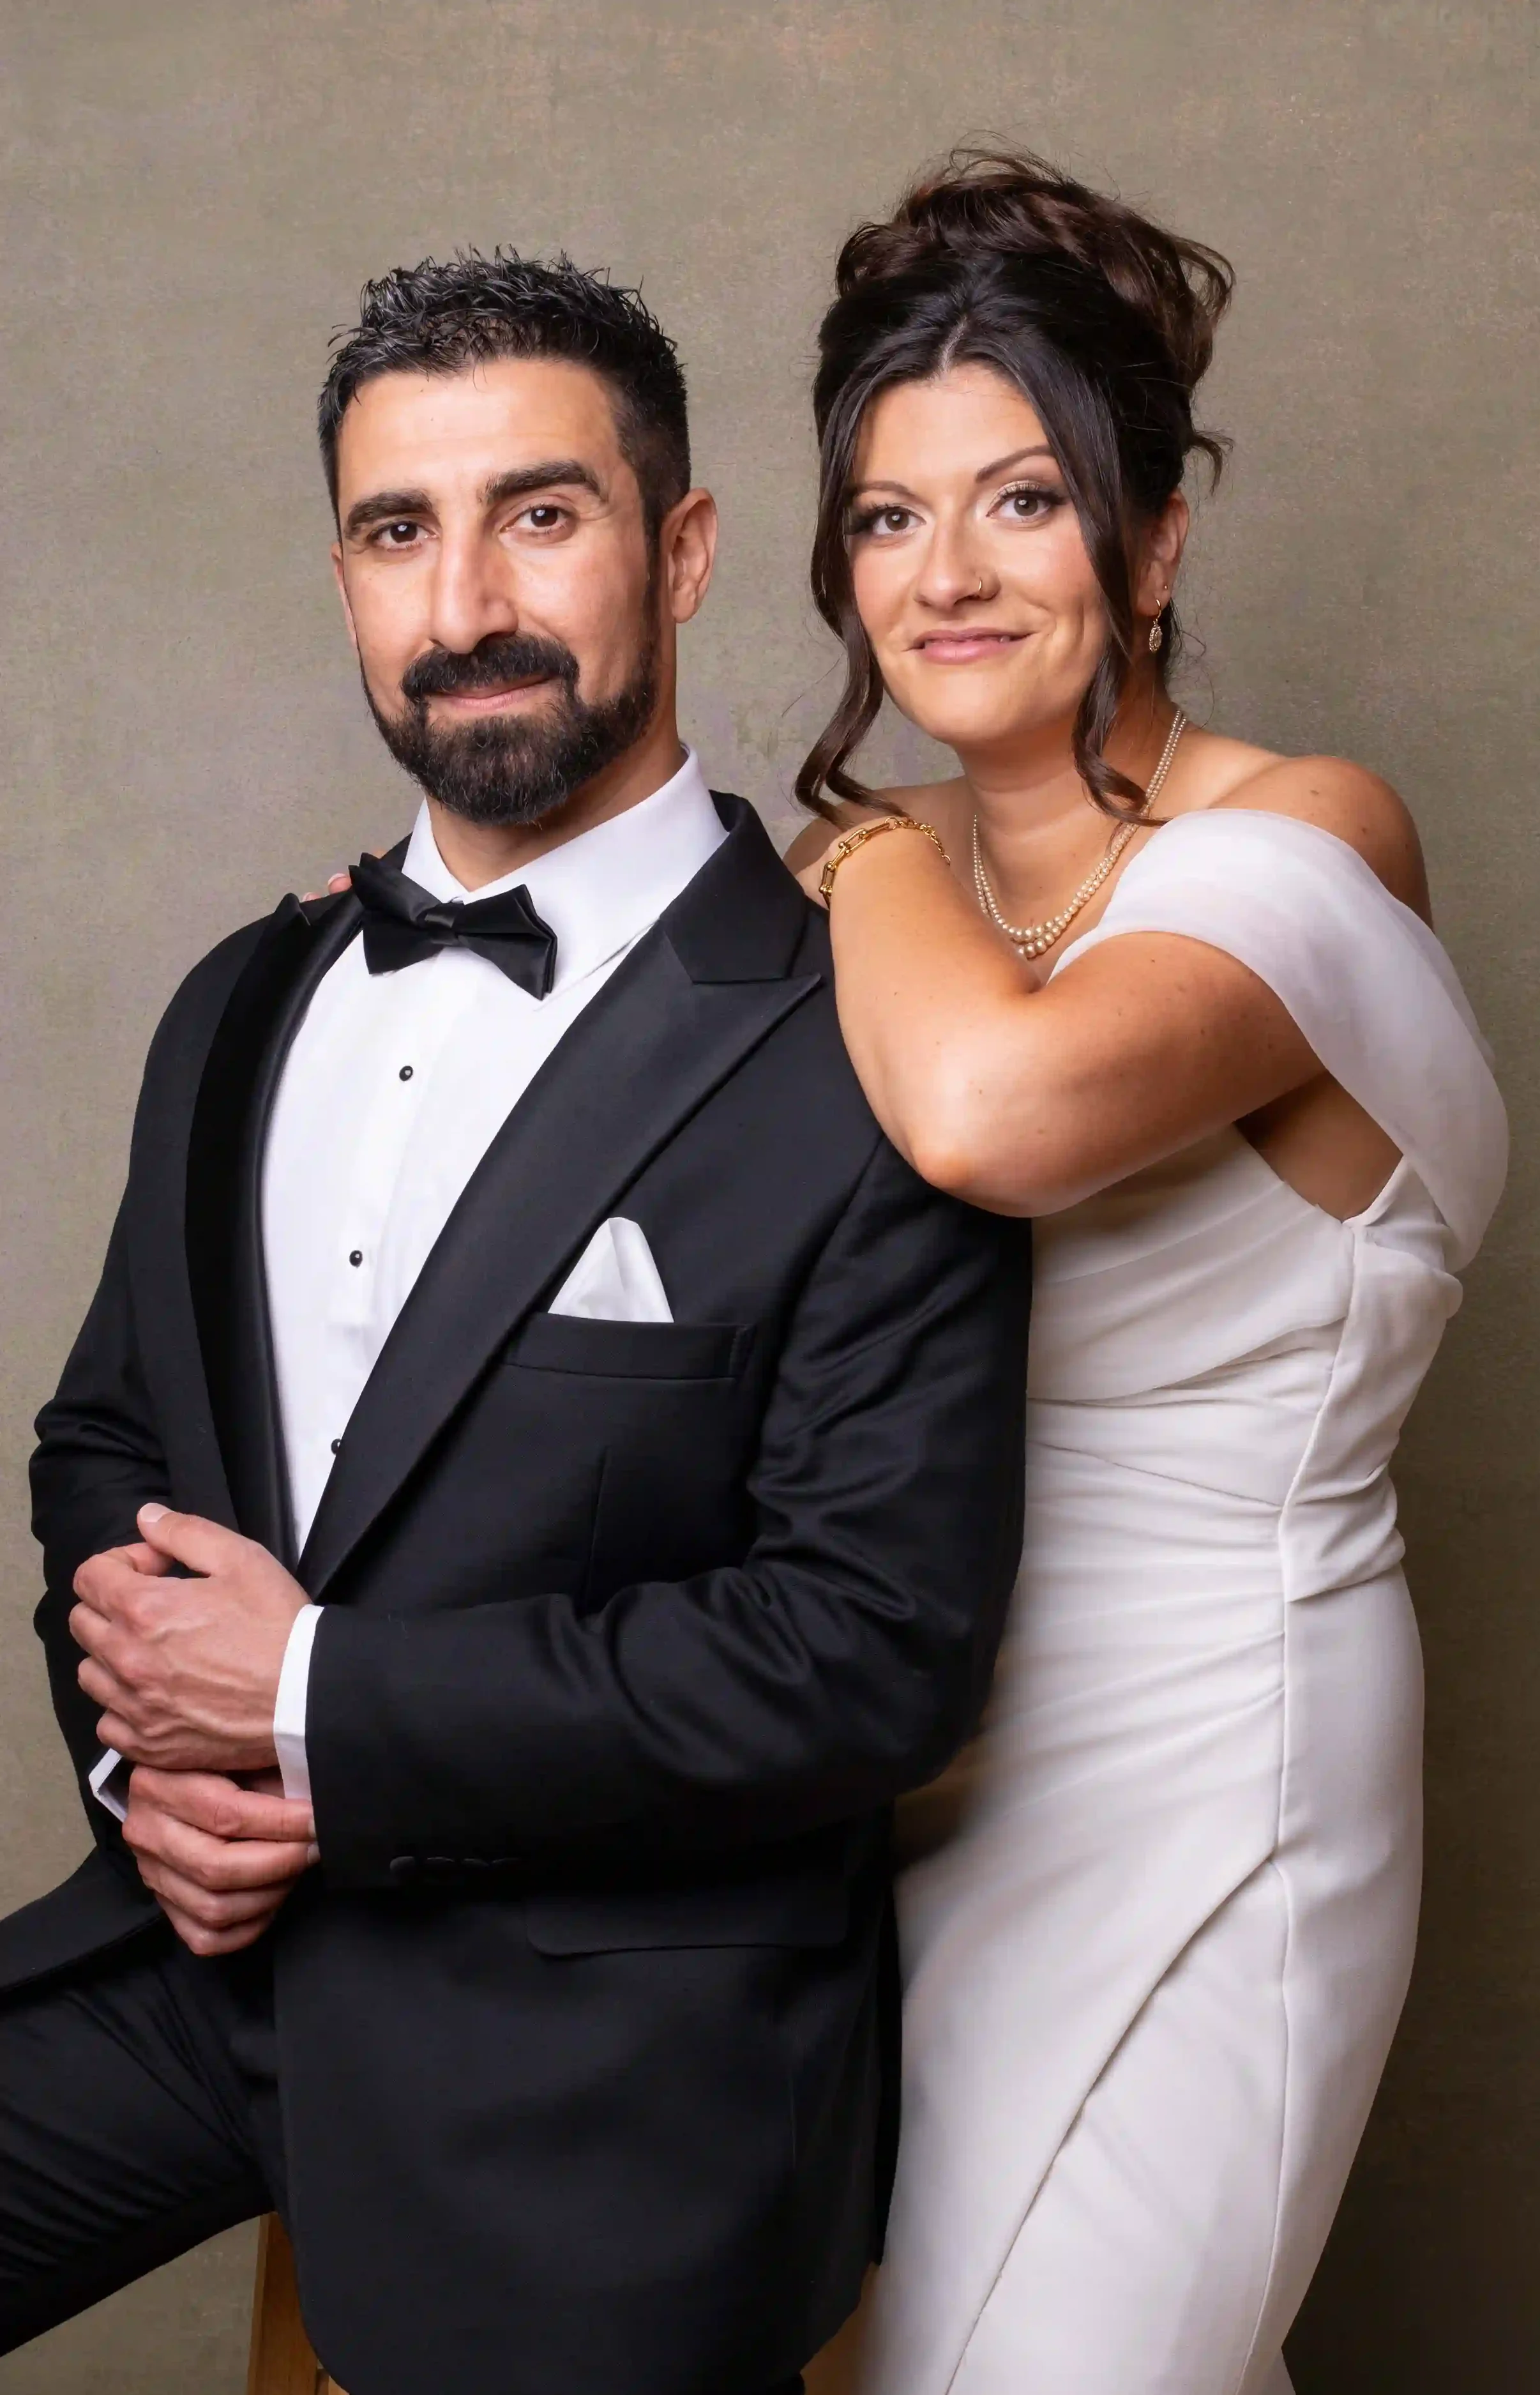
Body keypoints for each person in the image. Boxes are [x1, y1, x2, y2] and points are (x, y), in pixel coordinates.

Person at [0, 251, 1033, 2395]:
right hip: (205, 1953)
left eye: (537, 515)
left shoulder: (868, 1040)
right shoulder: (242, 995)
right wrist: (150, 1767)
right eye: (399, 529)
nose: (462, 595)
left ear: (681, 548)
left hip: (599, 2046)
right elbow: (103, 1439)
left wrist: (311, 1700)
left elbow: (871, 1646)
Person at [787, 153, 1509, 2395]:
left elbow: (993, 1119)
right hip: (900, 1764)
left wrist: (849, 846)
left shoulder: (1310, 838)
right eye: (890, 518)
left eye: (1018, 500)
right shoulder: (871, 917)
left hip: (1224, 1753)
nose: (945, 573)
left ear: (1156, 536)